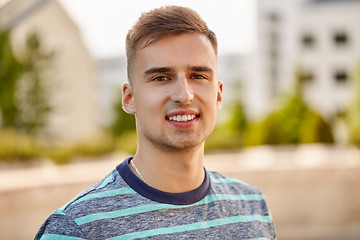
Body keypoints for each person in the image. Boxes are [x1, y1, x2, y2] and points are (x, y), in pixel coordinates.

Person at [35, 5, 276, 239]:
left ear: (219, 95)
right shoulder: (77, 227)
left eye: (198, 76)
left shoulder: (253, 209)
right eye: (161, 77)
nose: (184, 95)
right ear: (130, 98)